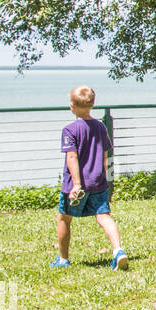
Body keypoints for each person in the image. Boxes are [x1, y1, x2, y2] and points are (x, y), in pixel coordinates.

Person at [50, 85, 126, 271]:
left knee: (64, 218)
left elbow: (72, 157)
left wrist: (76, 184)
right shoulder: (100, 127)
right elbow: (105, 155)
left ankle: (63, 259)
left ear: (72, 106)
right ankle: (118, 250)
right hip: (98, 182)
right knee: (103, 216)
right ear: (92, 105)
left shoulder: (70, 130)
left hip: (76, 186)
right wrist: (105, 178)